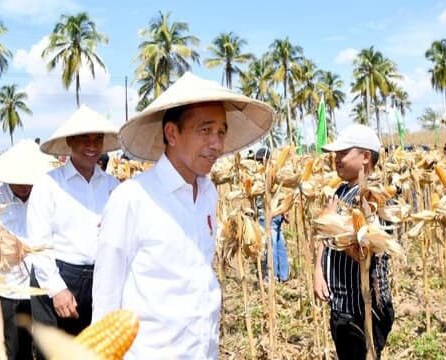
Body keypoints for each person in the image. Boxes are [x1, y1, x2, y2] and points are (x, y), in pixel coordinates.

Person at [92, 72, 274, 359]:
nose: (216, 144)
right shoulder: (132, 199)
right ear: (172, 134)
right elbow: (106, 297)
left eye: (221, 132)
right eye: (205, 130)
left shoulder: (208, 193)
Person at [27, 105, 120, 356]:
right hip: (58, 275)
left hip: (99, 279)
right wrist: (57, 288)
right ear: (70, 141)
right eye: (84, 139)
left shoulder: (114, 186)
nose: (92, 145)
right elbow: (39, 243)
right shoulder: (49, 184)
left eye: (97, 139)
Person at [313, 124, 394, 360]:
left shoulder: (375, 197)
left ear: (366, 157)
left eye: (343, 154)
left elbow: (367, 255)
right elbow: (325, 236)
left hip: (363, 310)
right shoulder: (339, 191)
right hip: (339, 305)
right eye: (335, 154)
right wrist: (318, 269)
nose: (336, 159)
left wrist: (333, 223)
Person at [0, 139, 56, 360]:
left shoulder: (47, 196)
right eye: (18, 180)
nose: (24, 185)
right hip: (8, 288)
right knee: (12, 349)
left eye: (28, 180)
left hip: (42, 286)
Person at [255, 147, 289, 282]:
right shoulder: (276, 173)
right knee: (279, 242)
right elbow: (282, 193)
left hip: (268, 214)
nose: (256, 163)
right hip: (278, 212)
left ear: (264, 160)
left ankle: (272, 276)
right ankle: (284, 274)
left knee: (270, 244)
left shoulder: (265, 174)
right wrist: (285, 211)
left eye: (258, 161)